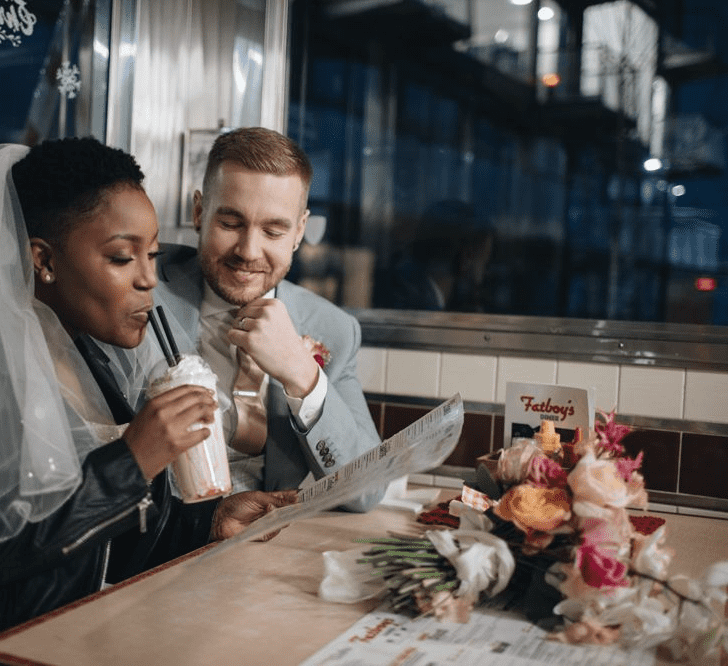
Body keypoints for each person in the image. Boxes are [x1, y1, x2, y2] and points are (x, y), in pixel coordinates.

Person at [0, 137, 296, 630]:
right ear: (43, 260)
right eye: (121, 257)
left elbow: (110, 545)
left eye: (153, 255)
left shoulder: (94, 357)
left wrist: (208, 524)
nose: (149, 280)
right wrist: (131, 461)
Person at [154, 127, 383, 512]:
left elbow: (365, 492)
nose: (248, 251)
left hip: (258, 538)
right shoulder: (144, 287)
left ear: (298, 233)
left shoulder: (334, 330)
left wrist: (300, 372)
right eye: (230, 224)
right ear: (199, 212)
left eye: (273, 230)